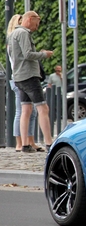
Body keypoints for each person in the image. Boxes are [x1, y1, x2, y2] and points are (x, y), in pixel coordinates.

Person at [8, 11, 55, 153]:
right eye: (37, 22)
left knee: (26, 109)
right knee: (43, 108)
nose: (37, 26)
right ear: (29, 19)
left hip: (19, 77)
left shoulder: (12, 35)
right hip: (29, 76)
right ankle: (49, 142)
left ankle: (25, 145)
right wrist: (43, 54)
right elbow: (27, 54)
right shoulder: (23, 33)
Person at [7, 14, 41, 152]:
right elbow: (24, 57)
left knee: (28, 111)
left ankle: (28, 141)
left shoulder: (16, 38)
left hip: (19, 77)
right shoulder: (17, 38)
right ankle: (20, 143)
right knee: (22, 111)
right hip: (20, 77)